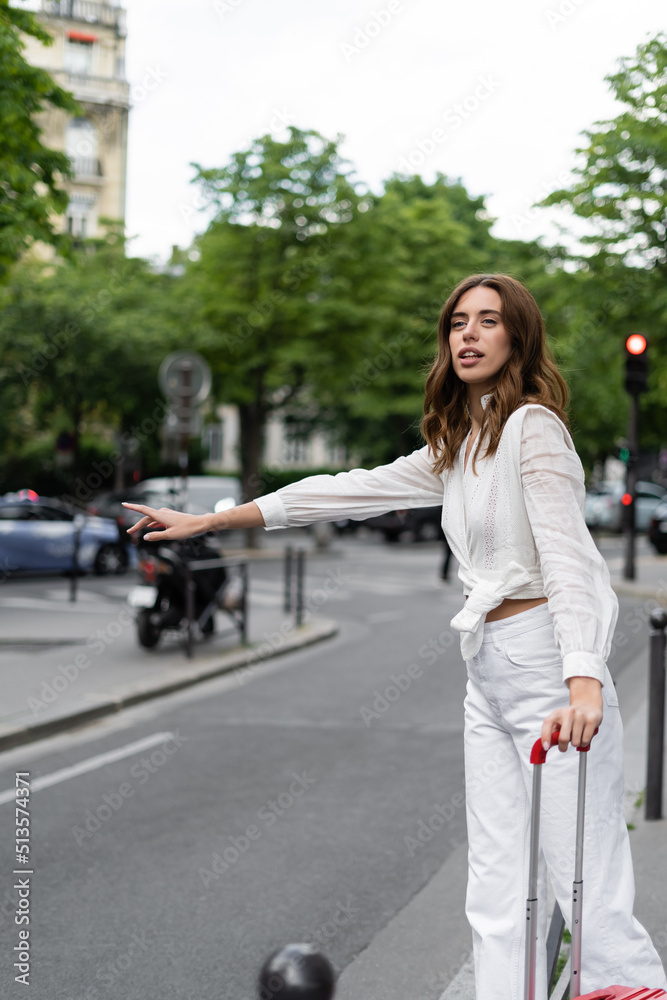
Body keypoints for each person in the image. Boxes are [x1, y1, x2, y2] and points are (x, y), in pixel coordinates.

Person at [123, 274, 667, 1000]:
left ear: (517, 338)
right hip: (489, 675)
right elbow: (347, 489)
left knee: (585, 882)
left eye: (487, 322)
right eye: (457, 323)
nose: (467, 335)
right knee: (496, 886)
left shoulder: (531, 428)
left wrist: (582, 679)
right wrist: (213, 521)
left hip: (546, 670)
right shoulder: (461, 441)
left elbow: (571, 559)